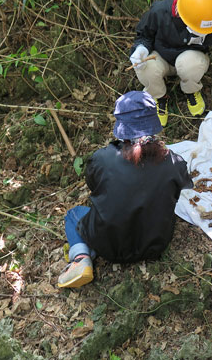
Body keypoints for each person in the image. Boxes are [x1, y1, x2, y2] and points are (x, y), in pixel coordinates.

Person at [58, 91, 193, 288]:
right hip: (155, 244)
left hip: (108, 246)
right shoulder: (174, 163)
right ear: (154, 125)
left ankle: (81, 257)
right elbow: (181, 187)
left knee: (73, 214)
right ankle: (87, 253)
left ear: (121, 128)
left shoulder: (103, 159)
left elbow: (94, 186)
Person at [129, 0, 212, 126]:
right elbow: (144, 35)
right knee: (145, 67)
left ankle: (191, 91)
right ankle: (158, 97)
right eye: (198, 29)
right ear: (181, 15)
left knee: (192, 64)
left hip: (189, 60)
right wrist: (141, 49)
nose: (204, 33)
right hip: (160, 58)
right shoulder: (160, 11)